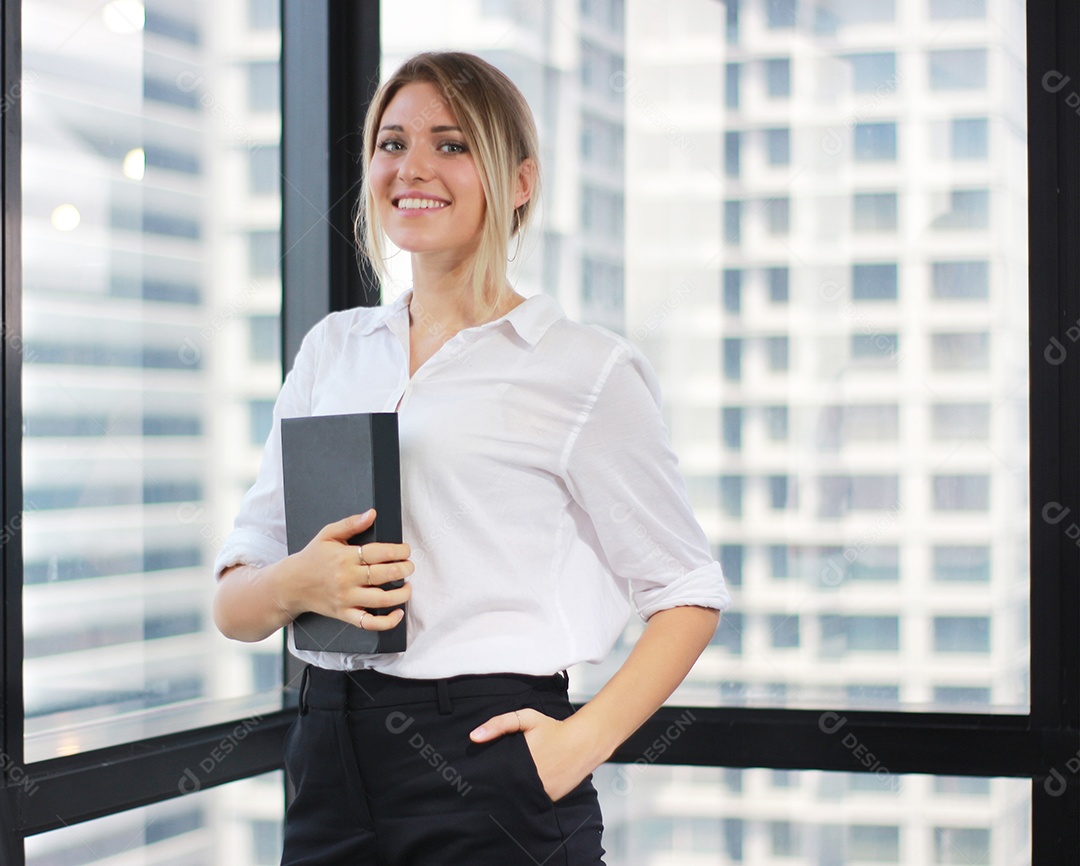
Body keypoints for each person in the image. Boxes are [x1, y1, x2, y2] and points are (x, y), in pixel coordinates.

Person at [212, 50, 730, 866]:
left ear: (518, 181)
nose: (412, 167)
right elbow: (235, 607)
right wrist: (299, 583)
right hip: (325, 757)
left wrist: (577, 745)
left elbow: (688, 591)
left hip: (487, 760)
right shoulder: (333, 349)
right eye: (391, 143)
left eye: (450, 145)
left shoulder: (581, 367)